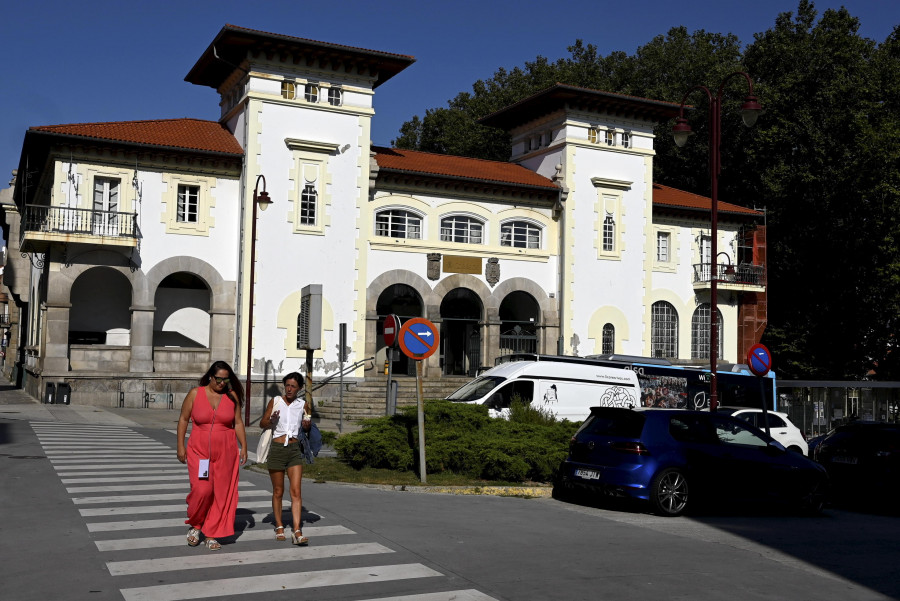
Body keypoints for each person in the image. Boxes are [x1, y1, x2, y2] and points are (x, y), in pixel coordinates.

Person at [176, 361, 248, 550]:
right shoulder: (195, 393)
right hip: (200, 452)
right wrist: (180, 447)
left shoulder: (232, 397)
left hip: (226, 451)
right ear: (210, 376)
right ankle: (196, 524)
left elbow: (238, 423)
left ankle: (211, 533)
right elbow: (183, 419)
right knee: (203, 490)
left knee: (221, 494)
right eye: (219, 379)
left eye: (226, 379)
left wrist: (244, 447)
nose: (222, 383)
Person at [260, 372, 311, 546]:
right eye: (287, 385)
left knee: (296, 492)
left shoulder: (303, 405)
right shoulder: (275, 402)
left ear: (300, 388)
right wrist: (271, 421)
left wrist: (307, 426)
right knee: (278, 491)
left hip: (295, 450)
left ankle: (297, 530)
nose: (289, 389)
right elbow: (262, 423)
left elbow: (307, 427)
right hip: (277, 449)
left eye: (293, 386)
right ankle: (279, 525)